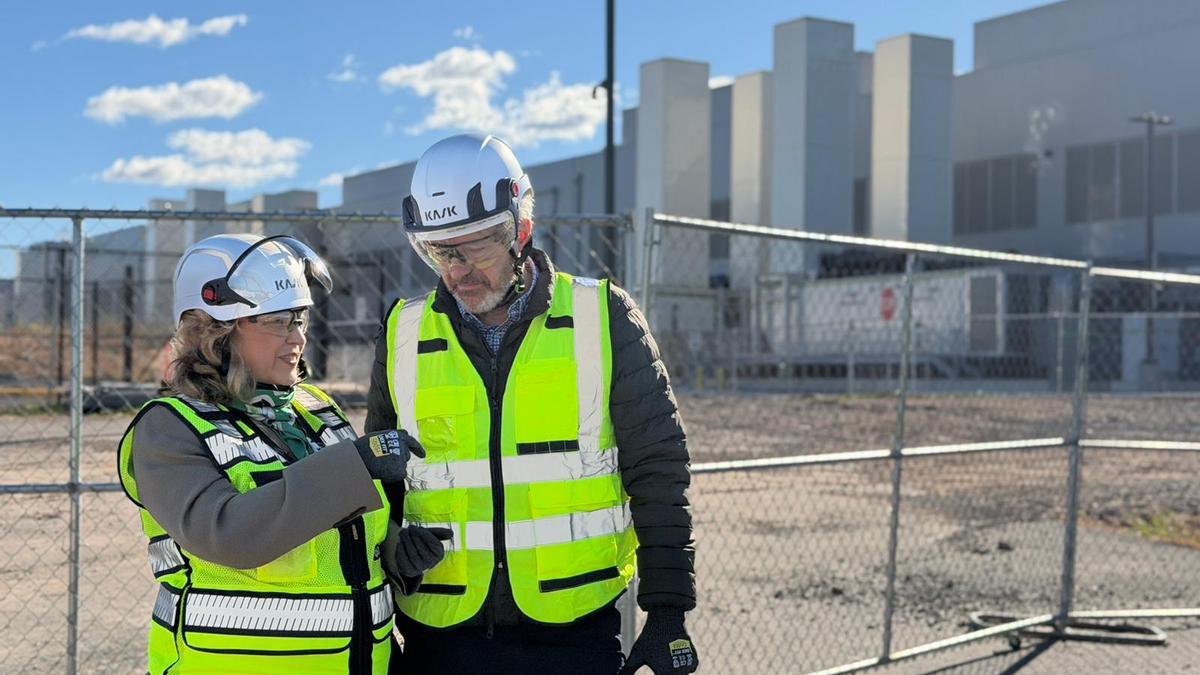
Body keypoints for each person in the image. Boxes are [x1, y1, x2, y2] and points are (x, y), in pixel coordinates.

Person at [366, 134, 699, 674]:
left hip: (573, 630)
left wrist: (667, 611)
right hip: (439, 632)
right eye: (440, 251)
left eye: (476, 247)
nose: (458, 271)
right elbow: (381, 476)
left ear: (521, 227)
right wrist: (391, 545)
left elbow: (658, 467)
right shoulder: (402, 330)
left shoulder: (603, 317)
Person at [117, 233, 450, 674]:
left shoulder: (315, 410)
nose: (298, 338)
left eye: (300, 318)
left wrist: (395, 555)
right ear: (215, 332)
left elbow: (336, 542)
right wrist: (355, 464)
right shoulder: (169, 428)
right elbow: (228, 534)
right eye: (276, 321)